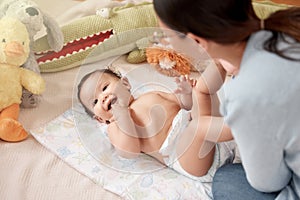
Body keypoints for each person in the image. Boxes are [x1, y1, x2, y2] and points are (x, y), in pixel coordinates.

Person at [153, 0, 300, 199]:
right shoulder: (289, 23)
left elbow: (268, 183)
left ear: (197, 42)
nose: (165, 42)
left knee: (227, 180)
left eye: (167, 37)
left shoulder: (244, 95)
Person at [77, 62, 238, 182]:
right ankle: (245, 125)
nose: (103, 97)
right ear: (100, 119)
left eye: (104, 87)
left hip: (209, 135)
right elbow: (130, 151)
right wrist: (122, 114)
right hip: (190, 159)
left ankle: (223, 61)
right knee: (198, 127)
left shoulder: (150, 95)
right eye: (95, 101)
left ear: (125, 84)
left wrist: (187, 93)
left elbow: (184, 105)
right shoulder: (115, 126)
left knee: (201, 91)